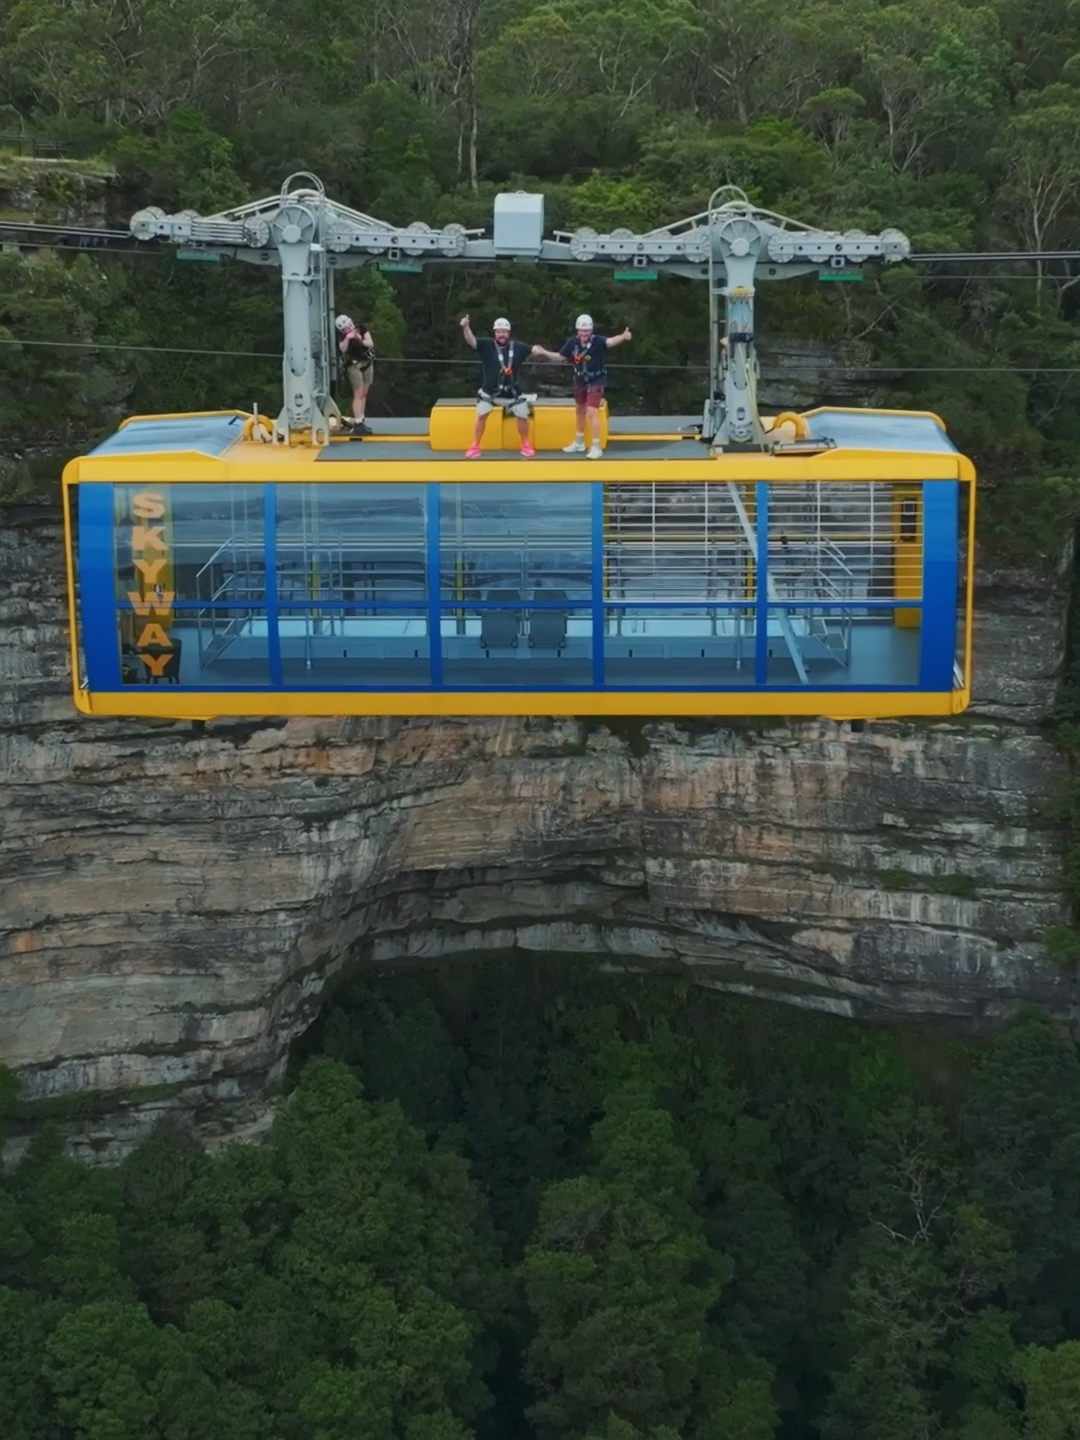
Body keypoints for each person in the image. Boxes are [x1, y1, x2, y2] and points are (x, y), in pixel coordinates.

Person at [531, 315, 632, 458]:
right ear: (577, 331)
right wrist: (544, 352)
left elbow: (611, 341)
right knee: (579, 410)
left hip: (596, 379)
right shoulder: (573, 342)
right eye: (582, 331)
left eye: (587, 331)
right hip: (580, 380)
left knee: (592, 412)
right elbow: (560, 356)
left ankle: (596, 447)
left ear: (591, 331)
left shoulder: (598, 341)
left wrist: (623, 336)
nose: (584, 334)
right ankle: (579, 442)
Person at [460, 314, 536, 458]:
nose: (501, 334)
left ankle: (526, 444)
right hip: (490, 392)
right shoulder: (487, 345)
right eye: (499, 332)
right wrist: (466, 327)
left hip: (512, 393)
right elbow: (471, 341)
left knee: (522, 415)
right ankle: (475, 445)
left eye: (504, 332)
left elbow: (534, 349)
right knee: (481, 415)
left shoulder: (518, 347)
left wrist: (543, 352)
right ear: (495, 333)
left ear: (509, 333)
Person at [335, 314, 375, 434]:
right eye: (346, 327)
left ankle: (361, 418)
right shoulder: (343, 336)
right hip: (353, 364)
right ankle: (358, 422)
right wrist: (348, 338)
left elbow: (370, 343)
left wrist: (358, 338)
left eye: (350, 324)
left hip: (367, 362)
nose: (350, 327)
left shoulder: (361, 328)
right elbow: (342, 349)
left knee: (364, 392)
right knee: (358, 392)